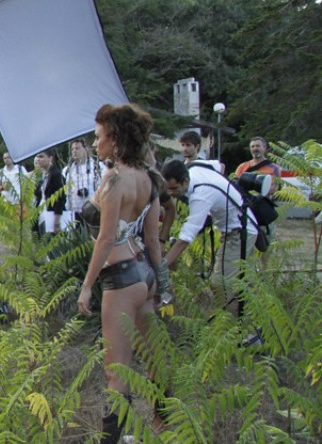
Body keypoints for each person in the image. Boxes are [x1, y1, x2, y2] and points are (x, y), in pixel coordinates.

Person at [76, 103, 165, 441]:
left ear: (114, 140)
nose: (95, 143)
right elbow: (153, 240)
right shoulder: (149, 179)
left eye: (98, 137)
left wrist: (87, 286)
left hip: (120, 279)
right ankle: (164, 423)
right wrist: (162, 284)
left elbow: (106, 237)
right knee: (155, 361)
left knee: (117, 370)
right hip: (144, 276)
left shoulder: (114, 180)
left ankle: (115, 438)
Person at [161, 159, 258, 318]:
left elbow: (186, 237)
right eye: (168, 189)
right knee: (239, 283)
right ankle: (248, 325)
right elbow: (220, 165)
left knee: (221, 285)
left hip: (239, 233)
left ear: (185, 181)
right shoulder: (195, 167)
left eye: (174, 188)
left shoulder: (201, 194)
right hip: (236, 229)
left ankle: (237, 330)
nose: (171, 193)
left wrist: (162, 266)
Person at [63, 138, 105, 222]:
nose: (74, 151)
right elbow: (65, 193)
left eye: (77, 148)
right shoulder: (67, 171)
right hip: (74, 214)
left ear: (85, 149)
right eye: (72, 149)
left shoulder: (98, 167)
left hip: (94, 211)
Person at [33, 149, 66, 236]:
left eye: (41, 156)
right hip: (42, 216)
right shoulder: (43, 174)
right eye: (37, 157)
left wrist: (56, 222)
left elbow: (60, 199)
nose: (38, 159)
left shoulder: (56, 175)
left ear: (50, 158)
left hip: (51, 218)